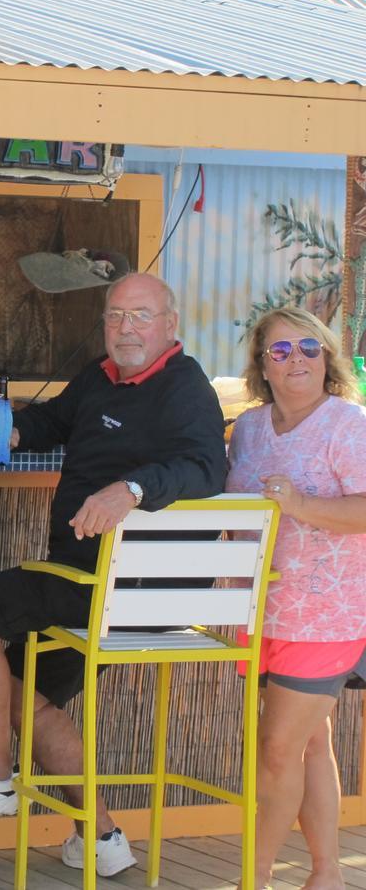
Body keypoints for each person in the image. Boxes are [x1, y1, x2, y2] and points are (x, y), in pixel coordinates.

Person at [0, 273, 226, 877]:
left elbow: (207, 468)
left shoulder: (185, 387)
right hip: (81, 579)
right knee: (19, 696)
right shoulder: (100, 376)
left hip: (115, 585)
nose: (126, 328)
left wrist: (134, 488)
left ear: (171, 325)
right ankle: (101, 839)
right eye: (116, 316)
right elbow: (59, 422)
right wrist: (12, 428)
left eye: (141, 316)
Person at [226, 306, 366, 890]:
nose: (296, 360)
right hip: (262, 612)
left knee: (277, 748)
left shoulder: (348, 424)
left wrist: (301, 505)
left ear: (328, 356)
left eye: (309, 348)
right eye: (280, 351)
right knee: (310, 742)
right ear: (262, 365)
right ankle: (327, 875)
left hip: (327, 616)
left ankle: (252, 880)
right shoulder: (250, 428)